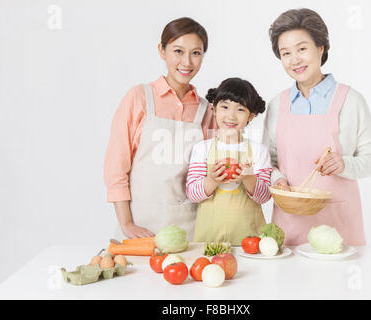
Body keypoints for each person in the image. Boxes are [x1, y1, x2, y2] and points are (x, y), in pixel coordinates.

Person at [263, 8, 371, 245]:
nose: (294, 60)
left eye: (302, 49)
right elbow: (268, 161)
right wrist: (277, 179)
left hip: (338, 225)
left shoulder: (351, 100)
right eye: (286, 53)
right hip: (289, 224)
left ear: (321, 48)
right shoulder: (277, 105)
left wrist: (344, 163)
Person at [104, 17, 216, 240]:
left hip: (190, 230)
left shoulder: (207, 111)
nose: (187, 62)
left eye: (196, 53)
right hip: (139, 227)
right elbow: (116, 167)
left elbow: (211, 173)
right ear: (161, 51)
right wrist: (126, 223)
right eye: (178, 51)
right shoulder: (139, 98)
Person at [187, 78, 272, 245]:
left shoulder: (259, 151)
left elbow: (265, 197)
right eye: (225, 107)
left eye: (241, 109)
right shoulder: (202, 149)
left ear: (251, 116)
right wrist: (212, 180)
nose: (231, 116)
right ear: (214, 110)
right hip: (209, 239)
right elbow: (192, 194)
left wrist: (248, 178)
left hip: (249, 240)